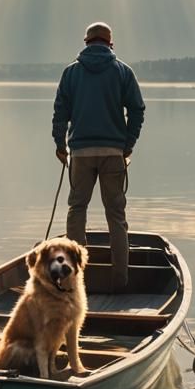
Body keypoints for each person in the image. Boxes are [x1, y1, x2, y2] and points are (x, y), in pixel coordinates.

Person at [52, 22, 145, 292]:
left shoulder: (71, 73)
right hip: (113, 153)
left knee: (76, 210)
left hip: (80, 153)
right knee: (116, 216)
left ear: (86, 42)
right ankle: (120, 282)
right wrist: (127, 145)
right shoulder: (123, 72)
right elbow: (137, 110)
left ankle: (73, 282)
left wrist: (61, 145)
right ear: (110, 44)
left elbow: (60, 112)